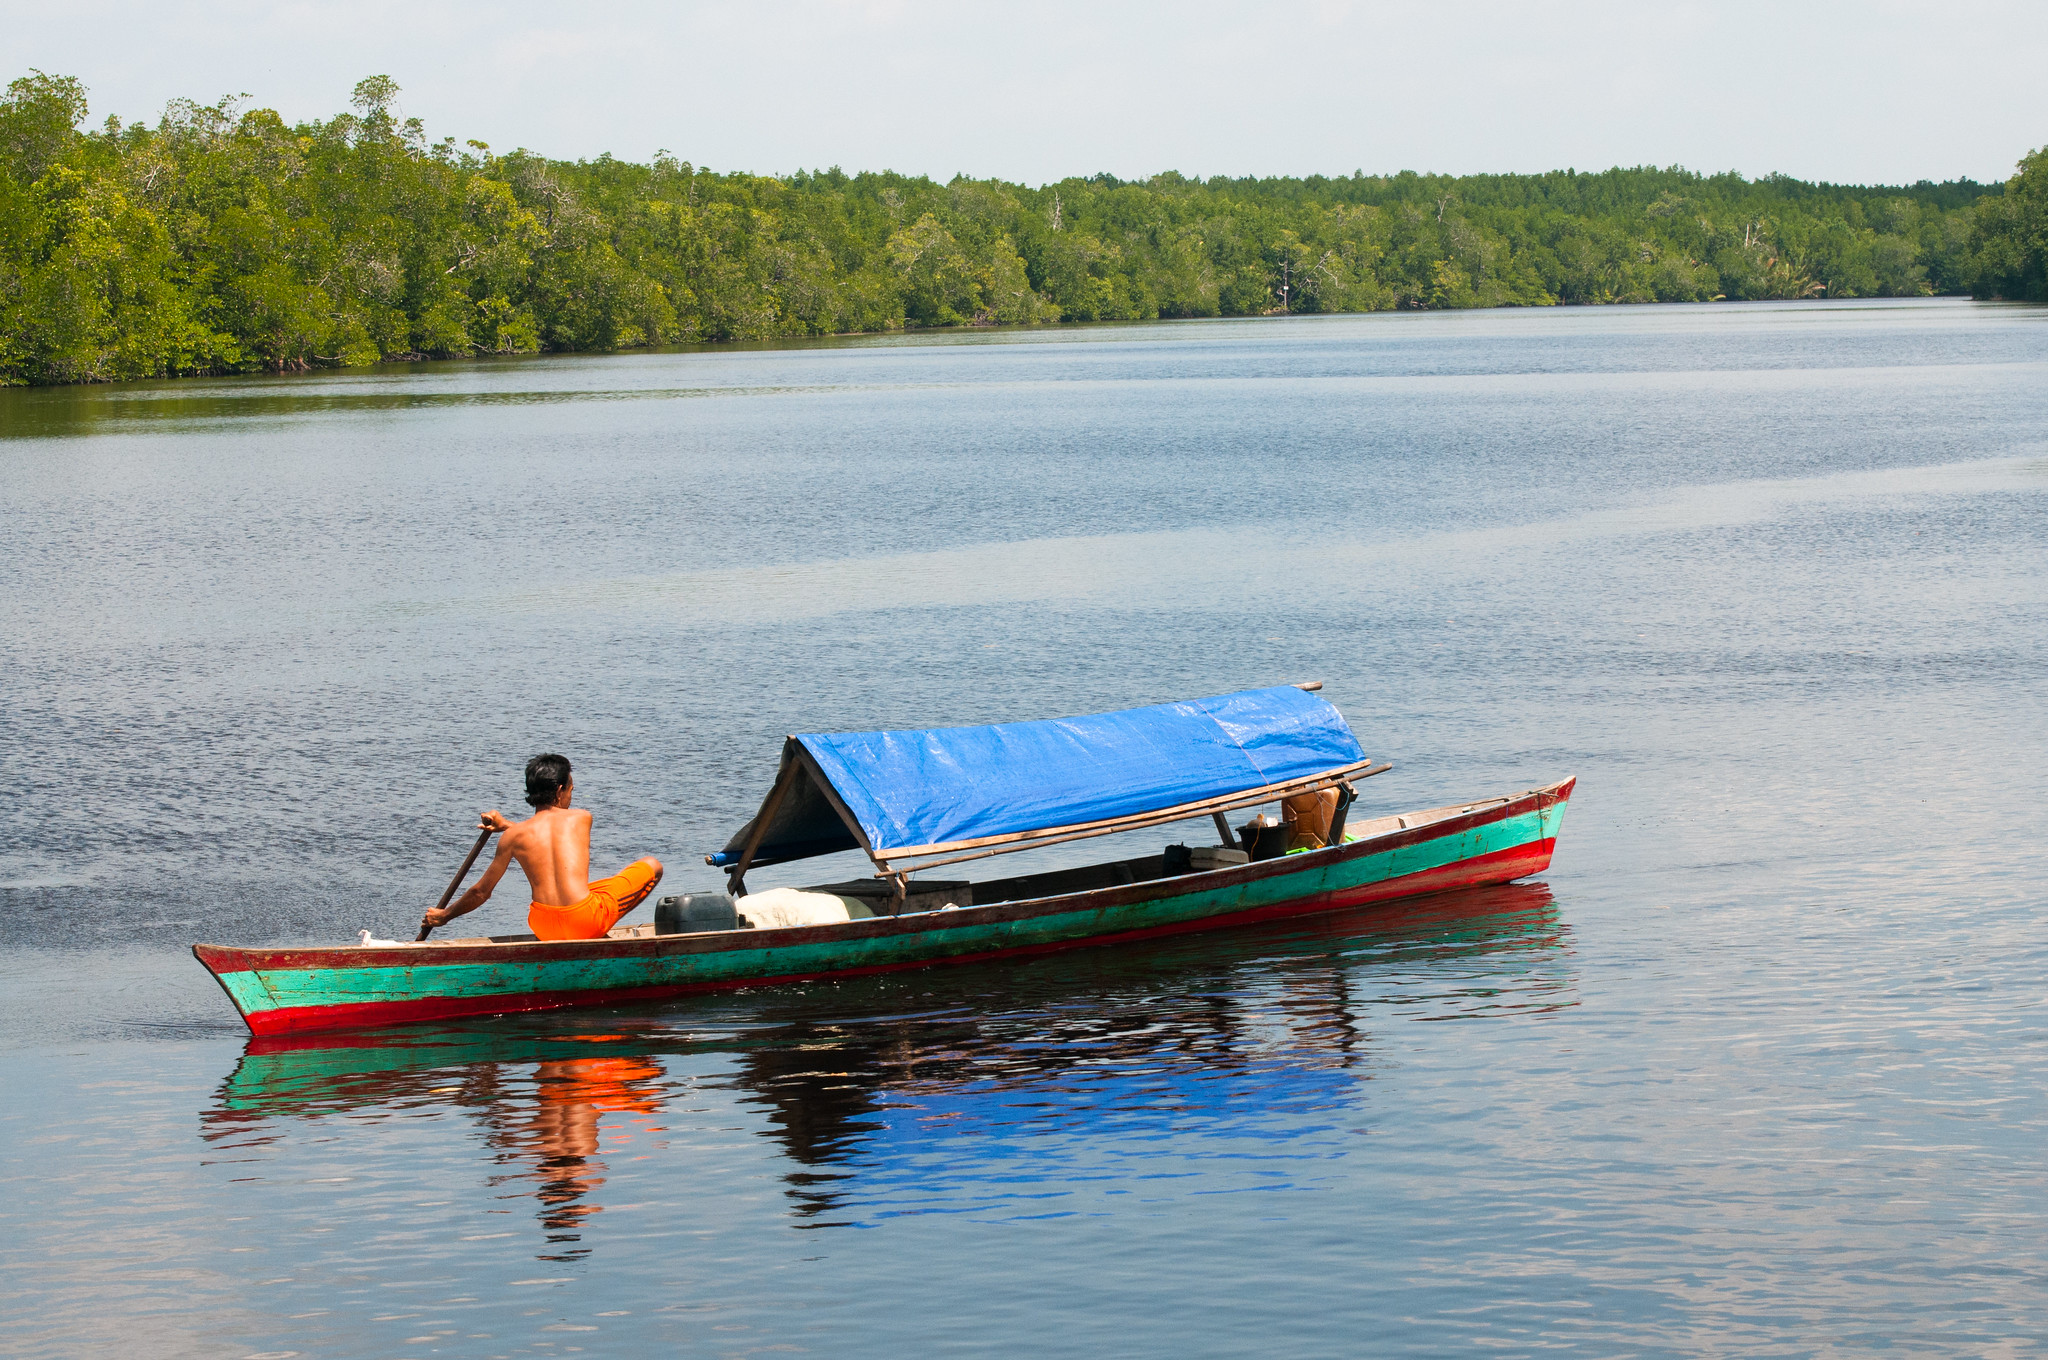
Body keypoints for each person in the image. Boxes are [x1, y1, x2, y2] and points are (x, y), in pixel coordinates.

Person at [422, 754, 663, 942]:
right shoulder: (581, 818)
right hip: (584, 921)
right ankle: (600, 938)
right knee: (652, 866)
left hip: (543, 925)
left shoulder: (513, 836)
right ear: (559, 791)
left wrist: (444, 916)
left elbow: (480, 893)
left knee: (594, 889)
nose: (571, 796)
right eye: (570, 789)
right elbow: (552, 834)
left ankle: (590, 935)